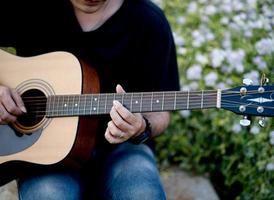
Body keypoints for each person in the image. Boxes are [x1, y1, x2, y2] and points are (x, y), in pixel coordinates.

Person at [0, 0, 180, 199]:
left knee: (143, 194)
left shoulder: (150, 21)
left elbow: (160, 112)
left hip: (123, 149)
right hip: (44, 154)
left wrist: (142, 126)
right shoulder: (27, 8)